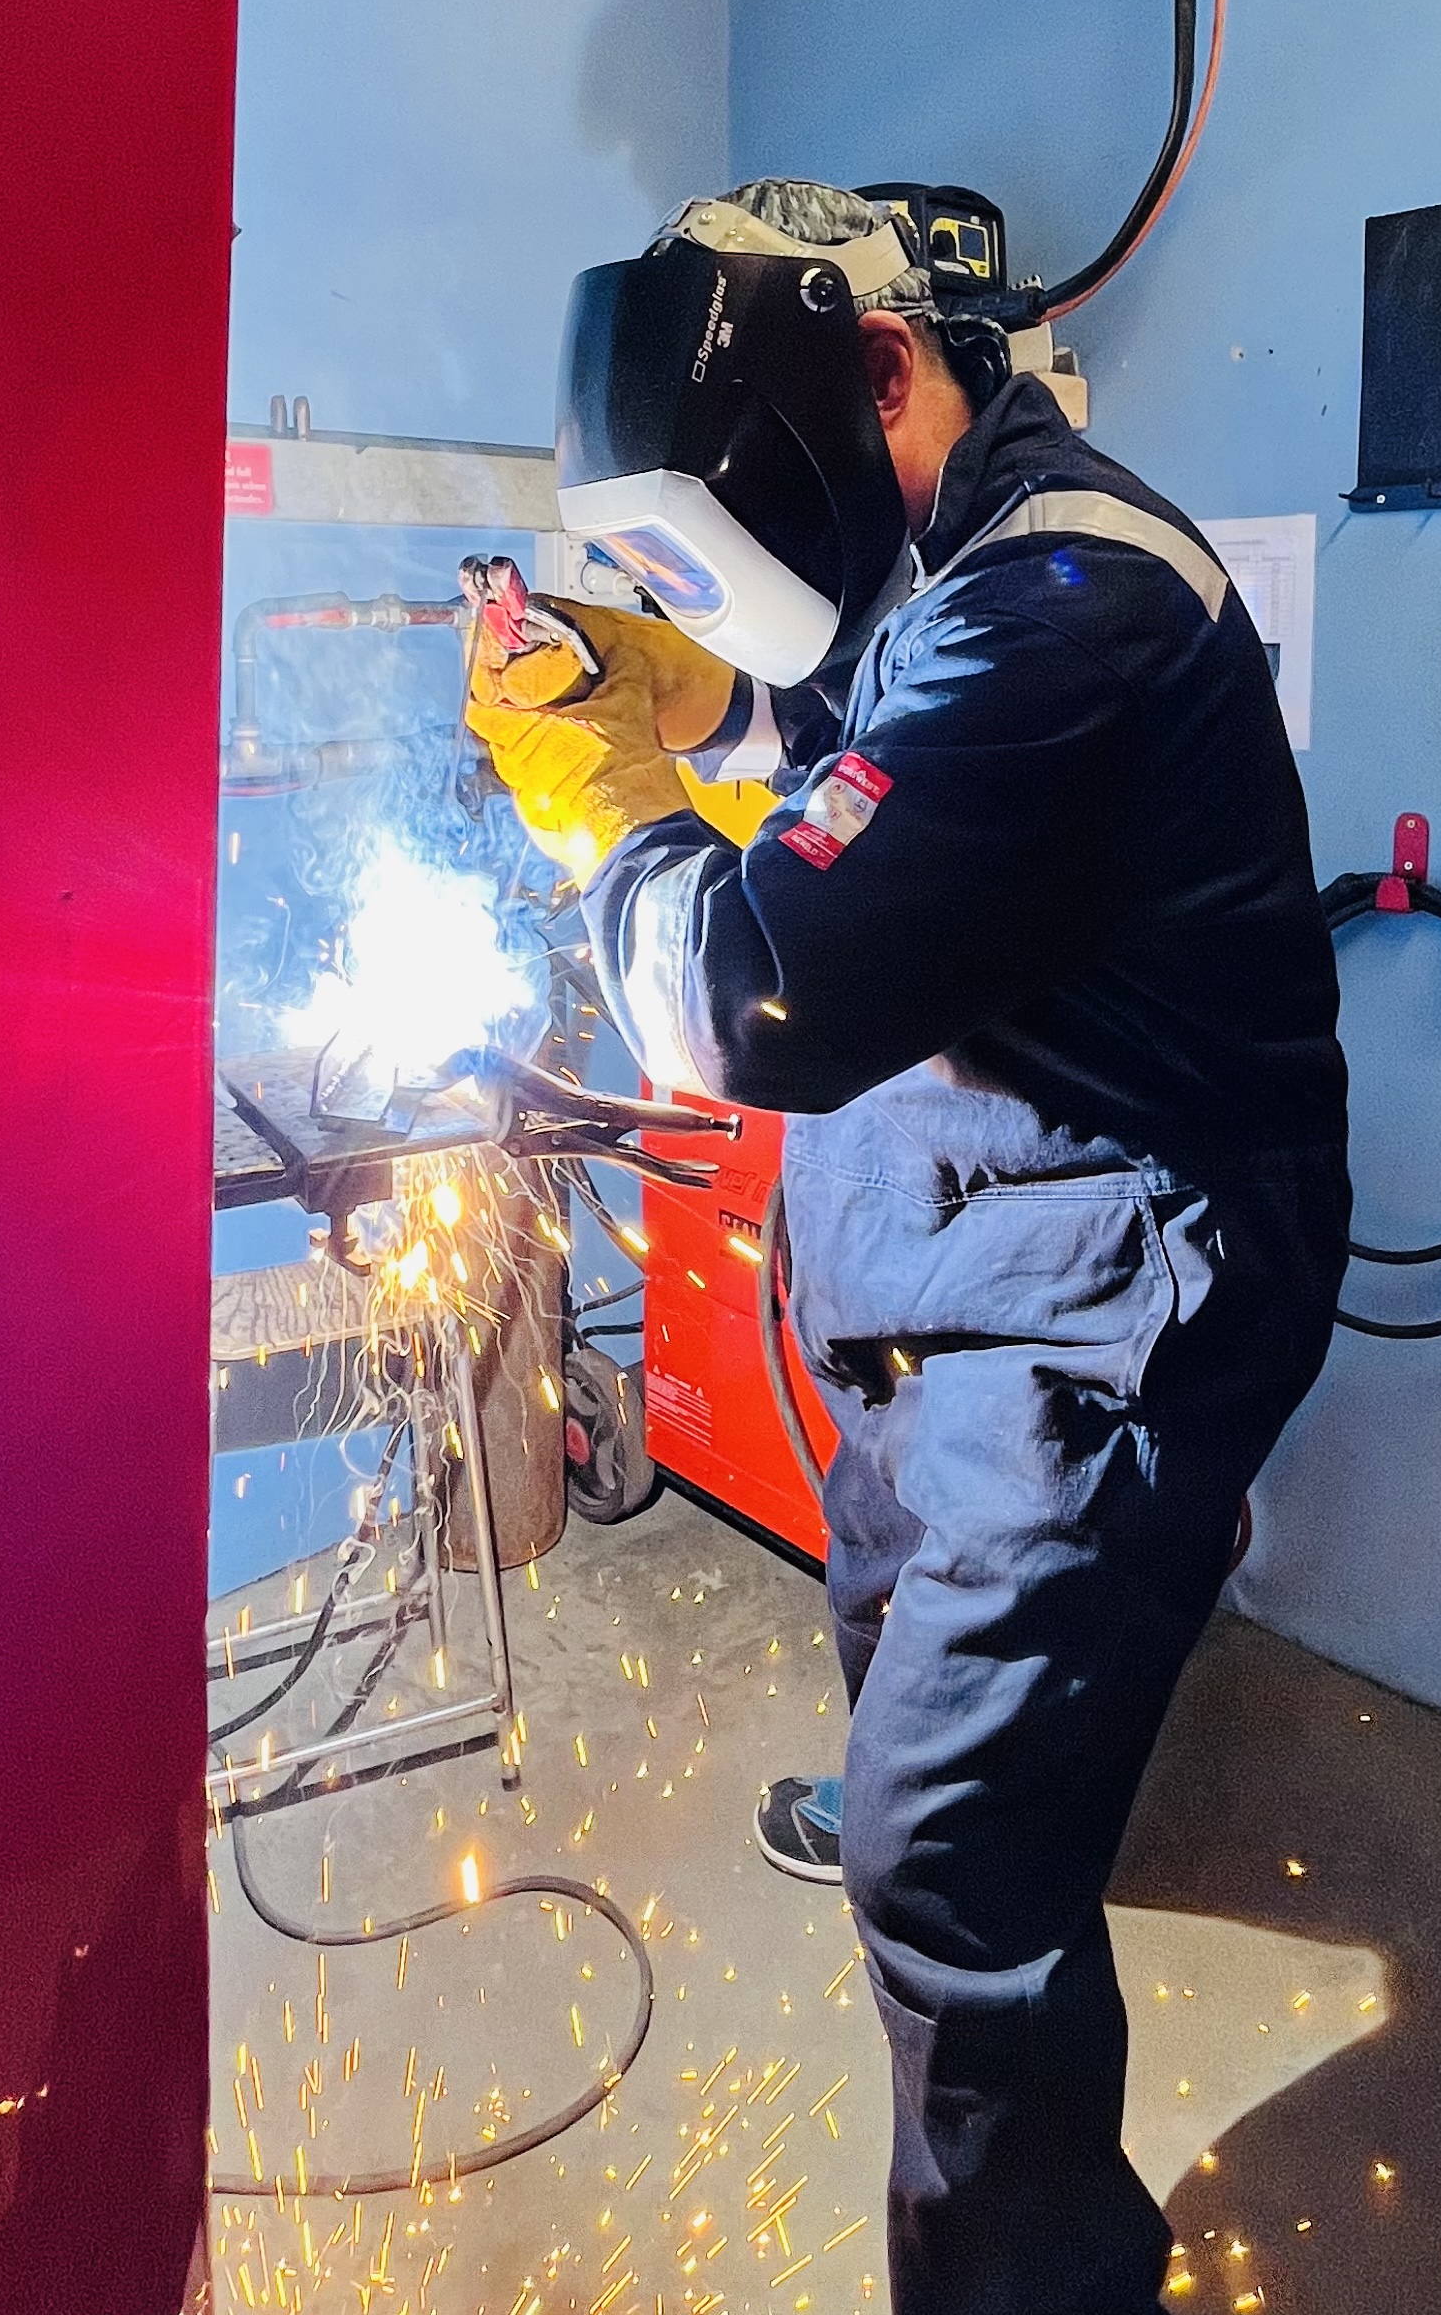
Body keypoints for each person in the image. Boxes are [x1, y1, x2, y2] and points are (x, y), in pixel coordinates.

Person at [465, 181, 1350, 2315]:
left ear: (879, 376)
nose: (741, 608)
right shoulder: (952, 556)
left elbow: (769, 986)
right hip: (960, 1293)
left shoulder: (1067, 596)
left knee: (951, 1880)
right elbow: (861, 727)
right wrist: (683, 692)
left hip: (1103, 1319)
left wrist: (609, 808)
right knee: (944, 1800)